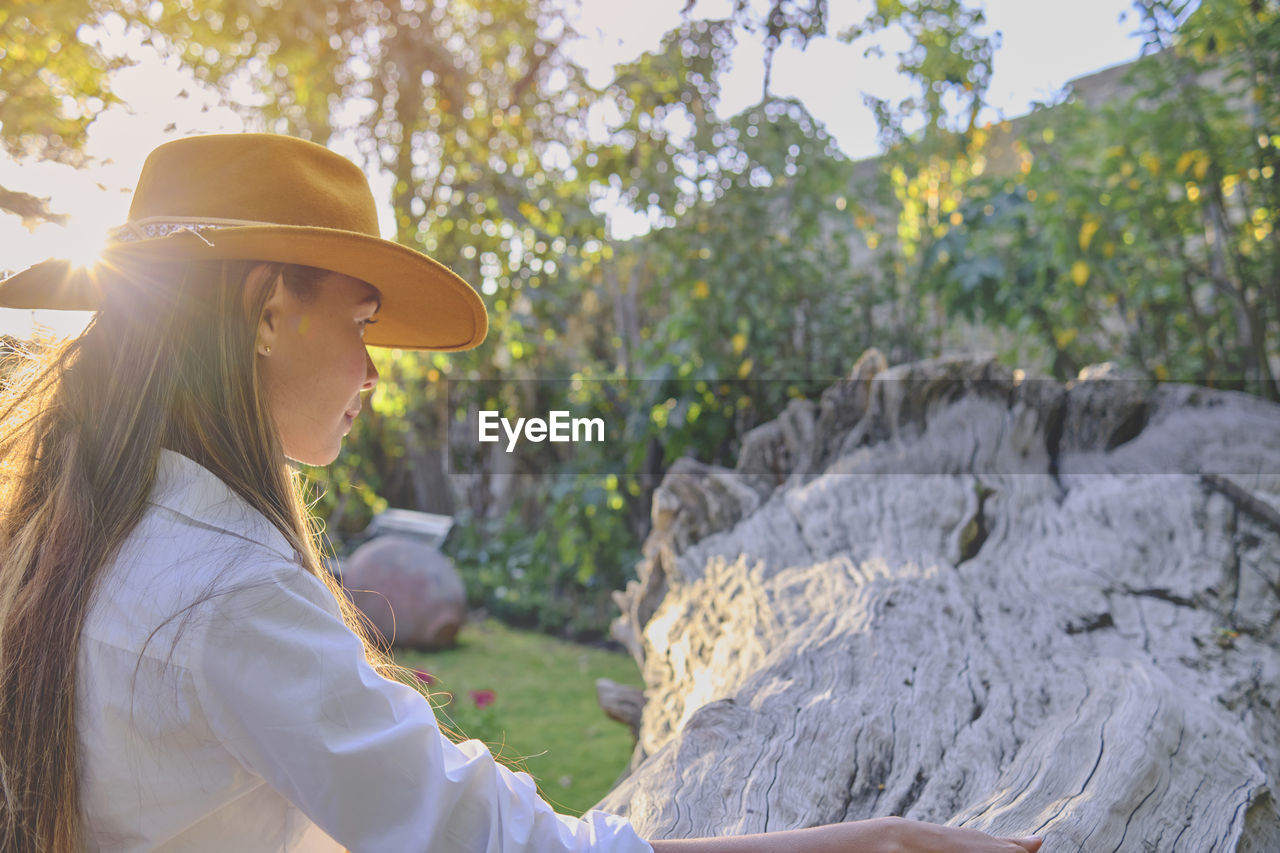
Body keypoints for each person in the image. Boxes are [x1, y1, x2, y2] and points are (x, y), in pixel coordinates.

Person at [0, 133, 1043, 852]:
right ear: (270, 310)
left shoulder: (77, 528)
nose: (374, 372)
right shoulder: (222, 589)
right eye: (362, 324)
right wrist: (871, 837)